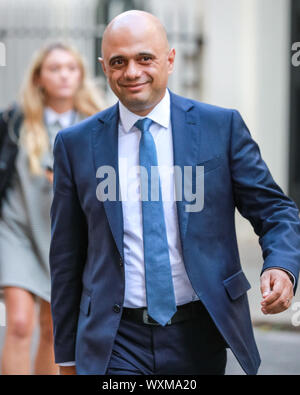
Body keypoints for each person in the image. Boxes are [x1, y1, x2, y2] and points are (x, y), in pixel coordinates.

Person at [50, 11, 300, 375]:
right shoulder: (75, 144)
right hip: (115, 339)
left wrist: (281, 266)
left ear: (170, 59)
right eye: (118, 62)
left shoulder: (221, 127)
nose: (131, 72)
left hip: (199, 333)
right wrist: (67, 358)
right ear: (104, 67)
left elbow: (275, 211)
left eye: (144, 58)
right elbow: (66, 257)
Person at [0, 41, 105, 375]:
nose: (63, 75)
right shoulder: (15, 120)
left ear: (81, 76)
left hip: (64, 237)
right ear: (39, 78)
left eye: (71, 68)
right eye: (54, 68)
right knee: (18, 323)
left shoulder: (96, 122)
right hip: (17, 231)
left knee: (53, 326)